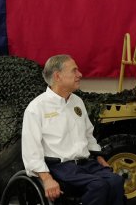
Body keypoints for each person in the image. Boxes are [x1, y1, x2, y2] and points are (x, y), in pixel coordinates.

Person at [21, 54, 125, 204]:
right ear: (58, 76)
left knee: (115, 181)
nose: (80, 74)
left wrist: (100, 158)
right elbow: (31, 151)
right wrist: (47, 179)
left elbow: (88, 135)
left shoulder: (77, 102)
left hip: (85, 164)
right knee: (98, 186)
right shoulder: (37, 108)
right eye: (74, 71)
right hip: (59, 168)